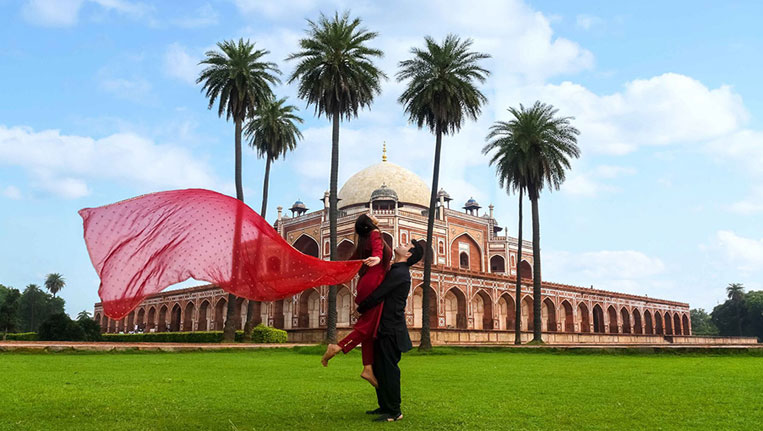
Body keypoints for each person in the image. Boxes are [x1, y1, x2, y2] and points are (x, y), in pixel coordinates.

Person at [321, 214, 392, 387]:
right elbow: (378, 251)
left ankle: (367, 368)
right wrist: (377, 258)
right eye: (370, 215)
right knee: (367, 326)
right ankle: (337, 347)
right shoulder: (375, 233)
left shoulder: (362, 240)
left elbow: (353, 260)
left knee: (370, 328)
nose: (374, 215)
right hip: (374, 283)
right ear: (369, 223)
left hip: (366, 283)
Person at [359, 239, 423, 422]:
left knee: (389, 370)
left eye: (407, 246)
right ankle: (385, 406)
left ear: (408, 254)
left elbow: (380, 293)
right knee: (380, 368)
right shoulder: (395, 270)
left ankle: (395, 411)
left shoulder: (400, 273)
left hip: (391, 328)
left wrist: (361, 308)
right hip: (384, 326)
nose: (402, 244)